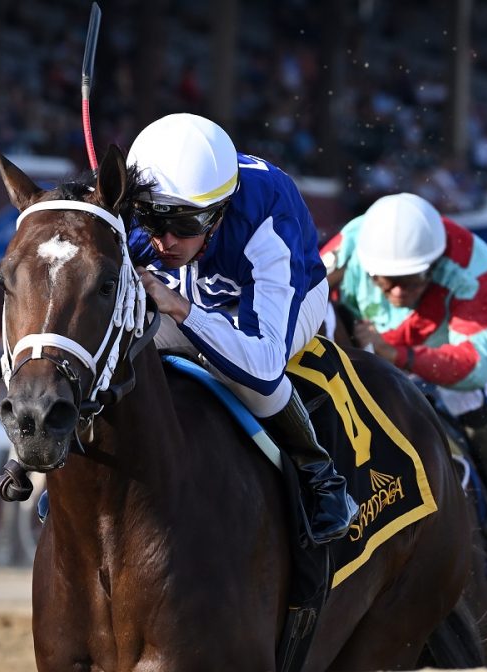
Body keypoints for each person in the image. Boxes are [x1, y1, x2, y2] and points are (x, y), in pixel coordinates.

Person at [127, 112, 357, 547]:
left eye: (184, 226)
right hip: (189, 286)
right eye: (152, 222)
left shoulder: (267, 216)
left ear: (218, 214)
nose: (164, 241)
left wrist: (181, 309)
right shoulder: (145, 204)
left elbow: (265, 363)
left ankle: (321, 477)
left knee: (246, 376)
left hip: (289, 295)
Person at [322, 192, 487, 533]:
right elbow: (298, 286)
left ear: (435, 263)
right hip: (367, 333)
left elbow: (474, 368)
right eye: (386, 279)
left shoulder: (478, 274)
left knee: (465, 397)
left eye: (411, 279)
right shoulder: (352, 242)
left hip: (446, 342)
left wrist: (397, 354)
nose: (398, 292)